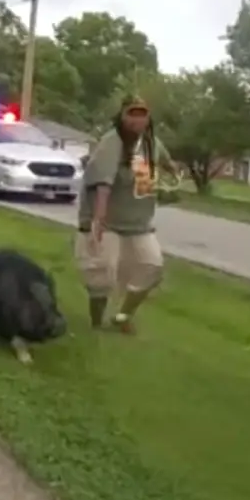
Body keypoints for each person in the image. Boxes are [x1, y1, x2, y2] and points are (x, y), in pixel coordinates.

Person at [76, 95, 175, 334]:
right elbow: (103, 184)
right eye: (132, 114)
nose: (137, 120)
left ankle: (122, 316)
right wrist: (97, 220)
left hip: (138, 223)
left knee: (152, 266)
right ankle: (97, 324)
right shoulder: (112, 143)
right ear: (122, 116)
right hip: (106, 221)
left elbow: (164, 165)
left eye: (142, 114)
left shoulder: (151, 143)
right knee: (102, 273)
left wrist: (171, 180)